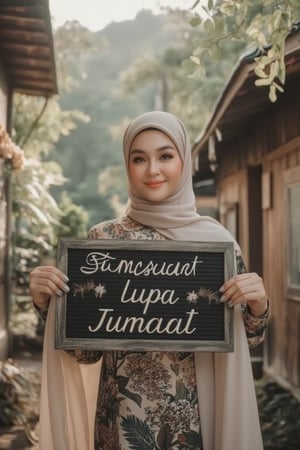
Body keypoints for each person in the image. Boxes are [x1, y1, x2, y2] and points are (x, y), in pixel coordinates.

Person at [29, 111, 269, 450]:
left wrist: (258, 306)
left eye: (165, 156)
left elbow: (245, 343)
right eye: (139, 158)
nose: (153, 170)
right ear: (127, 166)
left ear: (184, 161)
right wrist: (46, 305)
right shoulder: (103, 240)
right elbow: (84, 353)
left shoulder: (216, 244)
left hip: (196, 426)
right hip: (120, 427)